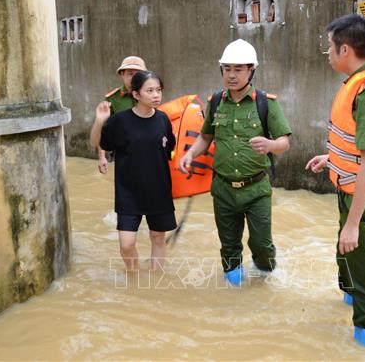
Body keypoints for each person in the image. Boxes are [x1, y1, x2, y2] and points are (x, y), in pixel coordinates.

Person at [305, 14, 365, 346]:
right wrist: (331, 158)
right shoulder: (363, 81)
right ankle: (350, 305)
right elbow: (356, 148)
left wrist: (353, 224)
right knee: (348, 258)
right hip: (352, 190)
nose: (328, 53)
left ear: (345, 49)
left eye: (329, 47)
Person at [178, 39, 292, 286]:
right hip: (223, 190)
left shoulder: (266, 103)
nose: (231, 75)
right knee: (229, 247)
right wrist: (190, 154)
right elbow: (205, 137)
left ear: (251, 70)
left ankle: (264, 285)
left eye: (238, 69)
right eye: (227, 69)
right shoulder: (216, 101)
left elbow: (284, 142)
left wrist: (270, 145)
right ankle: (234, 292)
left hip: (256, 190)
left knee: (261, 245)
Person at [90, 71, 177, 270]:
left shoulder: (163, 120)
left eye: (158, 90)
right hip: (128, 192)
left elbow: (170, 149)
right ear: (136, 95)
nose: (156, 95)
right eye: (150, 91)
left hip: (158, 190)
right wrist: (100, 120)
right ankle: (133, 276)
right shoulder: (120, 121)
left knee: (158, 237)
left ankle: (156, 280)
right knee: (127, 244)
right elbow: (96, 142)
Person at [97, 56, 147, 174]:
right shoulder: (113, 99)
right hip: (124, 154)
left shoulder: (151, 94)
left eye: (138, 74)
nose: (134, 78)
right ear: (122, 74)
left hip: (148, 152)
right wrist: (101, 157)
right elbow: (102, 130)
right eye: (130, 74)